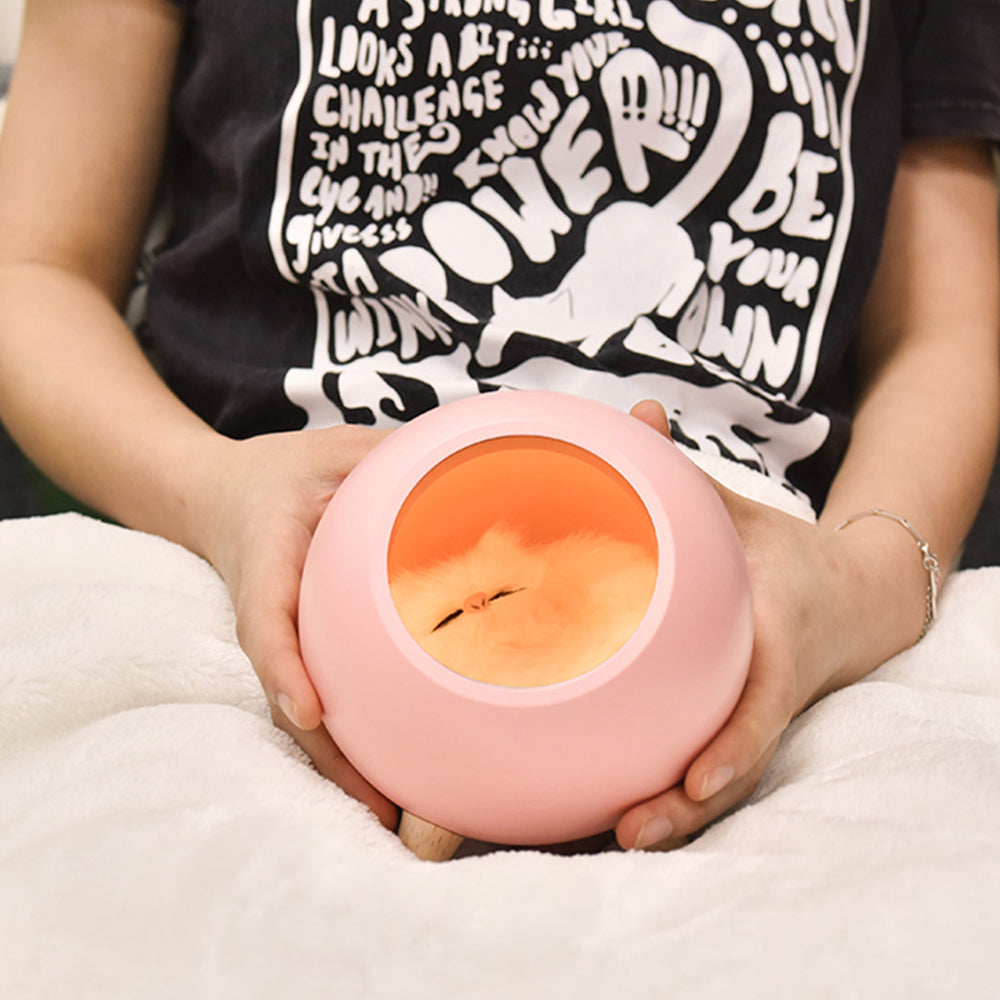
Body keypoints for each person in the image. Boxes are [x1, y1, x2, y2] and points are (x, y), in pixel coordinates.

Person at [0, 0, 997, 851]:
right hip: (254, 563)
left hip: (777, 622)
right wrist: (213, 491)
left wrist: (865, 581)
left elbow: (942, 331)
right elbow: (31, 271)